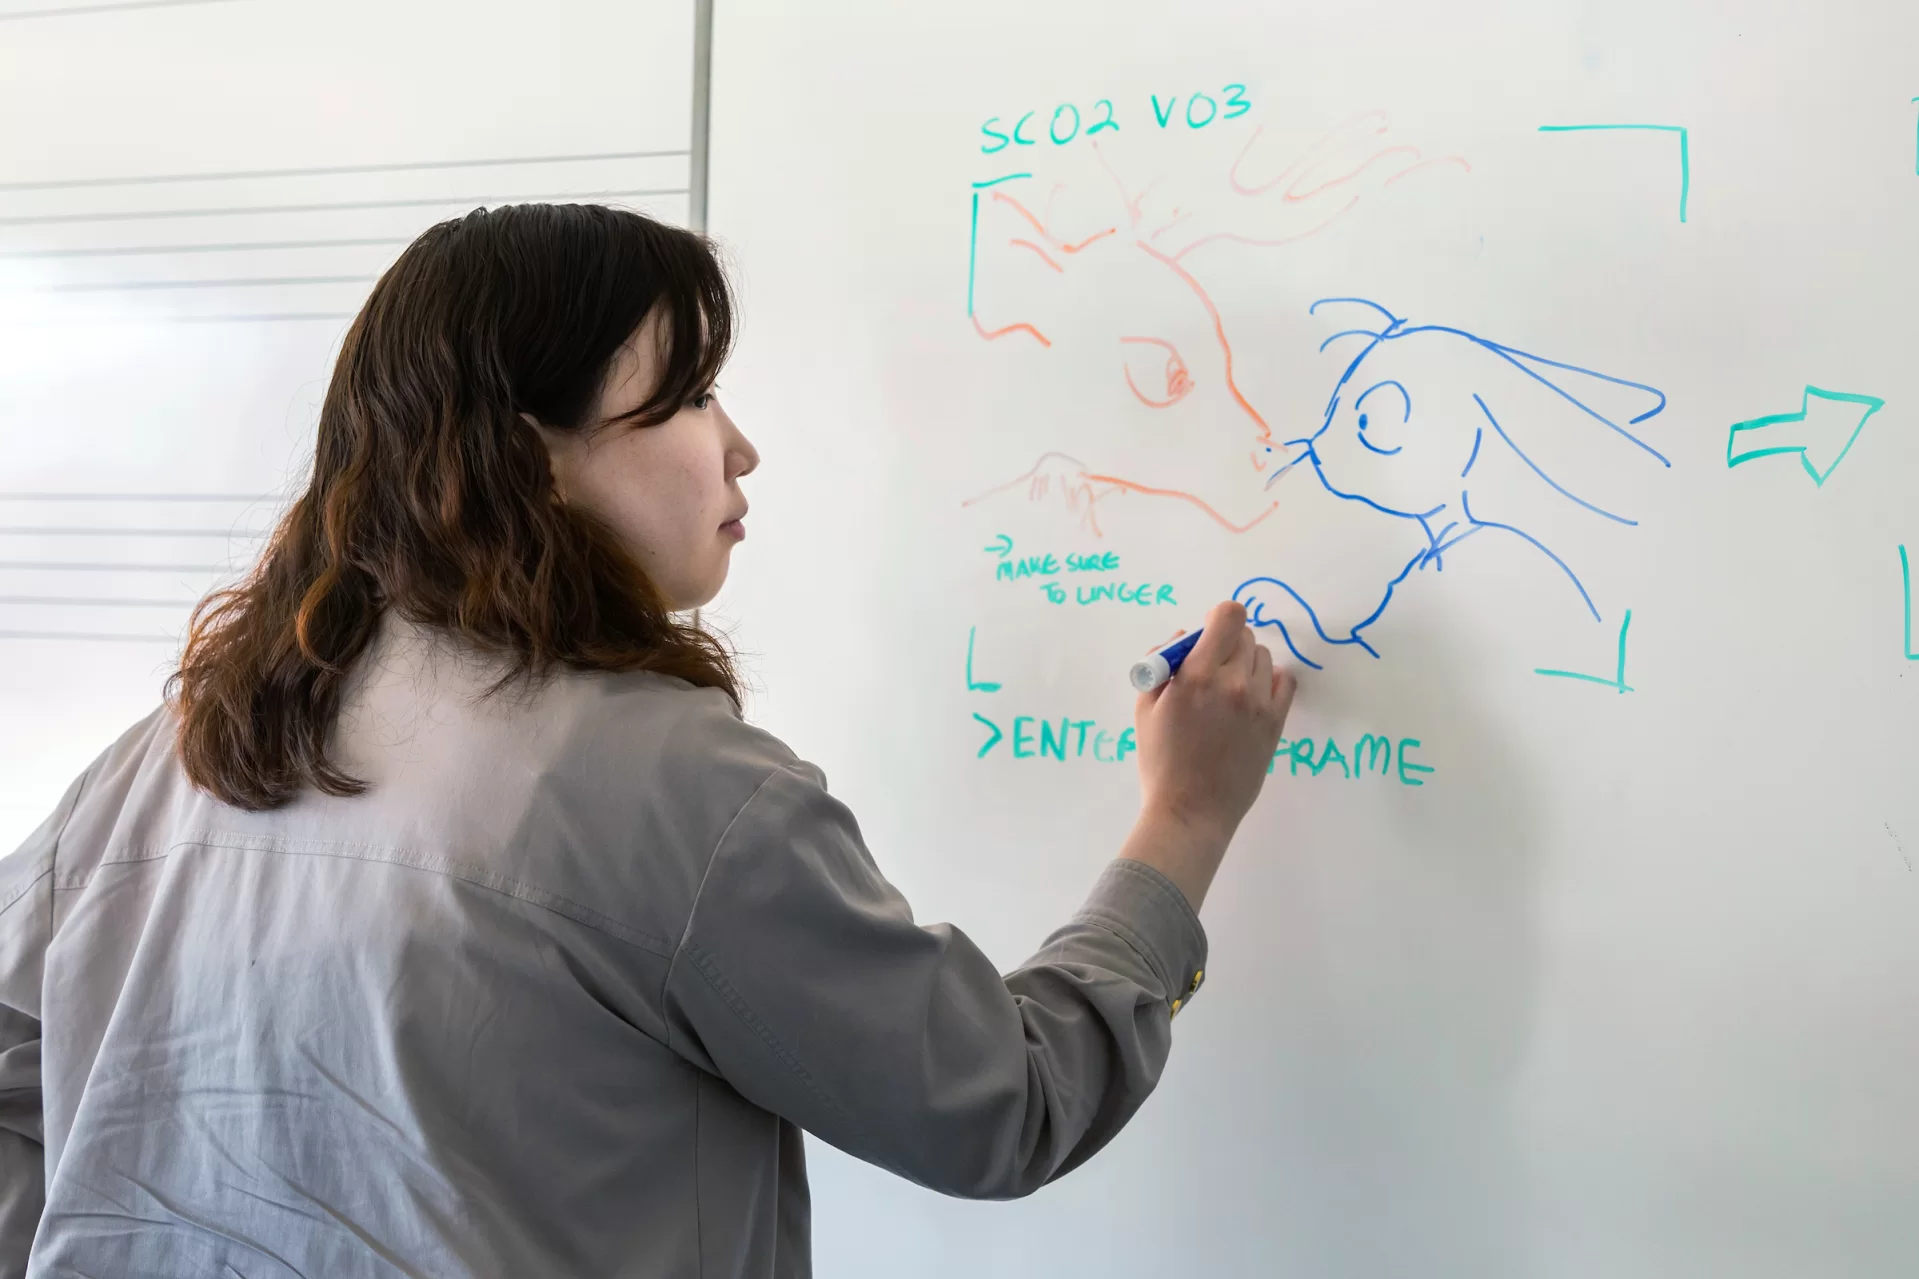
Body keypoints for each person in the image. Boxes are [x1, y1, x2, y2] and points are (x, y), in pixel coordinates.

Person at [0, 203, 1295, 1278]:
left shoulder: (175, 750)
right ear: (529, 462)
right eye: (681, 399)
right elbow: (1000, 1108)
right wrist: (1185, 817)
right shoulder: (669, 787)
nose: (740, 446)